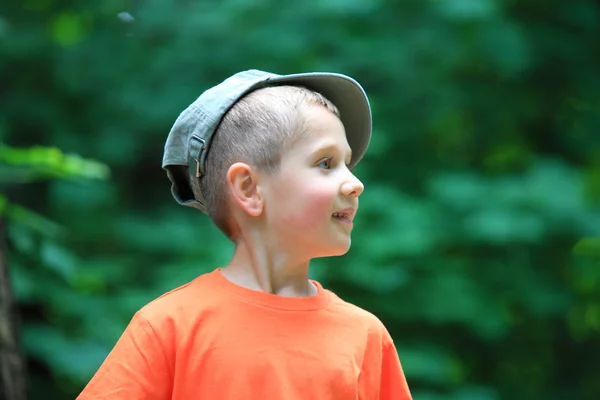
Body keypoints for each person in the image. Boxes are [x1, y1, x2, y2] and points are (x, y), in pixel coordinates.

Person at [77, 69, 412, 399]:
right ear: (249, 188)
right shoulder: (170, 327)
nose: (355, 184)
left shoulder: (365, 337)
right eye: (325, 163)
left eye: (348, 165)